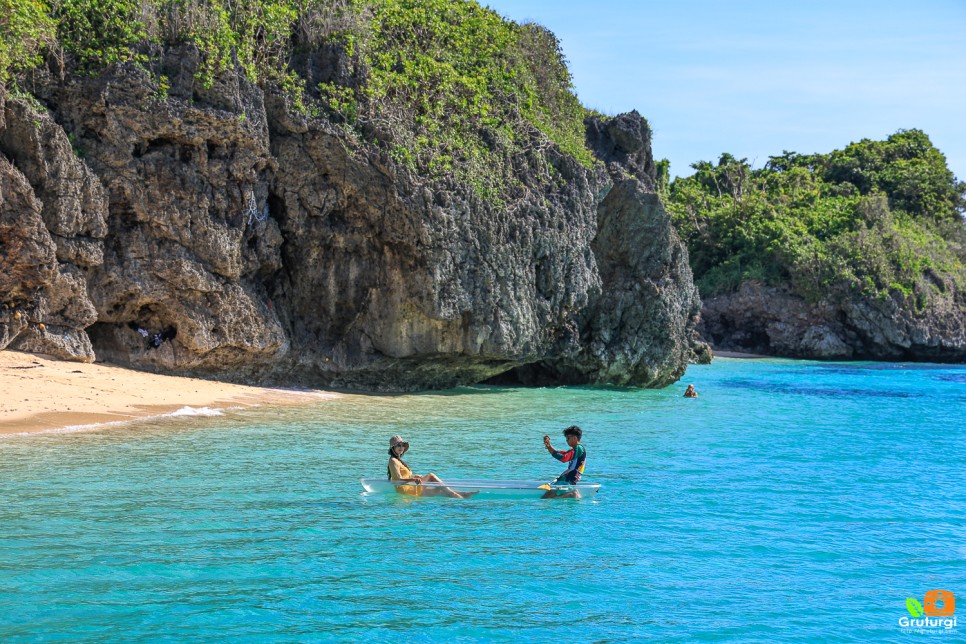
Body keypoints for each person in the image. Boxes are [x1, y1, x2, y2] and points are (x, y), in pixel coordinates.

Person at [386, 435, 474, 499]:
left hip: (409, 488)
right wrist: (413, 480)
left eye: (402, 445)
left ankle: (463, 494)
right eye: (398, 445)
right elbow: (397, 480)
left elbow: (403, 477)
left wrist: (414, 477)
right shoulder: (393, 461)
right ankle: (456, 496)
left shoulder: (398, 460)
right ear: (393, 448)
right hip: (406, 490)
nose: (401, 447)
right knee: (431, 476)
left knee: (438, 490)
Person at [542, 425, 587, 498]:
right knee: (550, 496)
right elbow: (561, 453)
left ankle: (573, 494)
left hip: (568, 478)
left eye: (568, 438)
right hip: (570, 478)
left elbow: (564, 458)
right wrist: (549, 446)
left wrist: (549, 448)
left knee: (547, 497)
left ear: (575, 438)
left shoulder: (578, 448)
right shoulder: (575, 450)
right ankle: (573, 493)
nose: (567, 441)